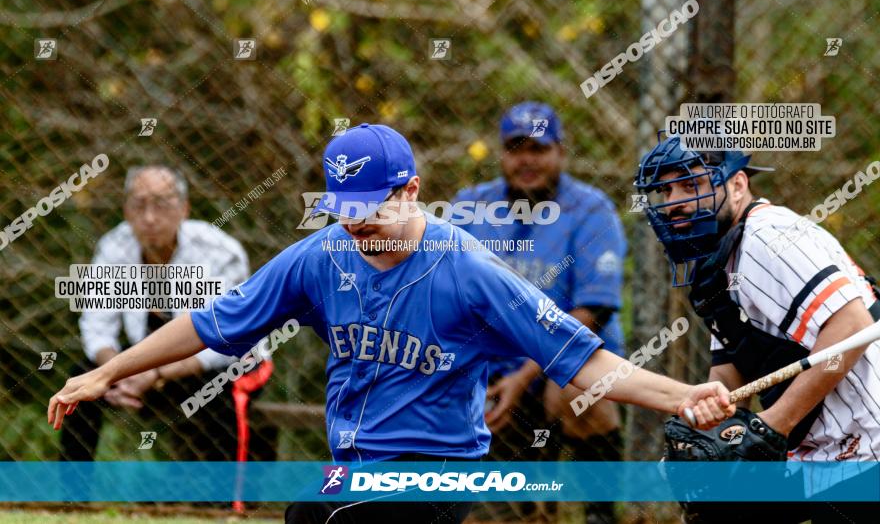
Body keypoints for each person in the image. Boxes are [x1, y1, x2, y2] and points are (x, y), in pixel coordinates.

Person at [50, 124, 735, 523]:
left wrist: (685, 395)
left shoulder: (465, 268)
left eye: (374, 205)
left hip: (439, 467)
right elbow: (212, 321)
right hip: (353, 462)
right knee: (306, 515)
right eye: (345, 207)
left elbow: (584, 362)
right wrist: (106, 369)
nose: (358, 221)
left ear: (412, 190)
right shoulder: (321, 256)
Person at [634, 136, 880, 523]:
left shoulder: (769, 236)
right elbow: (732, 366)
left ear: (737, 184)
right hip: (822, 452)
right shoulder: (719, 258)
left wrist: (771, 426)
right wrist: (713, 430)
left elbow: (852, 326)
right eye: (663, 190)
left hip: (867, 446)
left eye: (690, 184)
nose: (675, 201)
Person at [452, 102, 626, 523]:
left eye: (538, 148)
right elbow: (447, 297)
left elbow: (594, 309)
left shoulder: (590, 209)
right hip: (492, 368)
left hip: (561, 363)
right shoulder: (471, 207)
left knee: (576, 388)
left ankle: (599, 514)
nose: (526, 160)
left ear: (560, 152)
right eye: (516, 148)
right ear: (502, 154)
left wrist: (524, 376)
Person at [60, 165, 274, 462]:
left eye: (161, 204)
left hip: (224, 363)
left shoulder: (219, 251)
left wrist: (154, 373)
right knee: (81, 381)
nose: (149, 217)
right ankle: (71, 500)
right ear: (126, 210)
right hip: (143, 368)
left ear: (184, 209)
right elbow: (97, 327)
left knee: (216, 392)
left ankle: (223, 504)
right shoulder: (113, 247)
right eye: (139, 205)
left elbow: (225, 340)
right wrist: (116, 374)